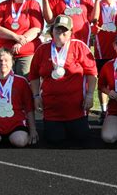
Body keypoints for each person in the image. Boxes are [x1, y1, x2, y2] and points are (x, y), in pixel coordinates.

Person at [29, 15, 98, 146]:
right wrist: (36, 96)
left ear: (71, 32)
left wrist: (89, 95)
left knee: (81, 138)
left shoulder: (79, 47)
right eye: (57, 29)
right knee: (54, 139)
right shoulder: (42, 50)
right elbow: (33, 75)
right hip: (52, 110)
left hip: (76, 109)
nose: (61, 33)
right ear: (52, 31)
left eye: (64, 30)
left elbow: (92, 73)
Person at [0, 0, 44, 78]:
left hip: (26, 53)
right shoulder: (3, 5)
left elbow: (37, 29)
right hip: (5, 53)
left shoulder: (33, 4)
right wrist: (15, 36)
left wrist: (21, 42)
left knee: (25, 84)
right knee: (4, 84)